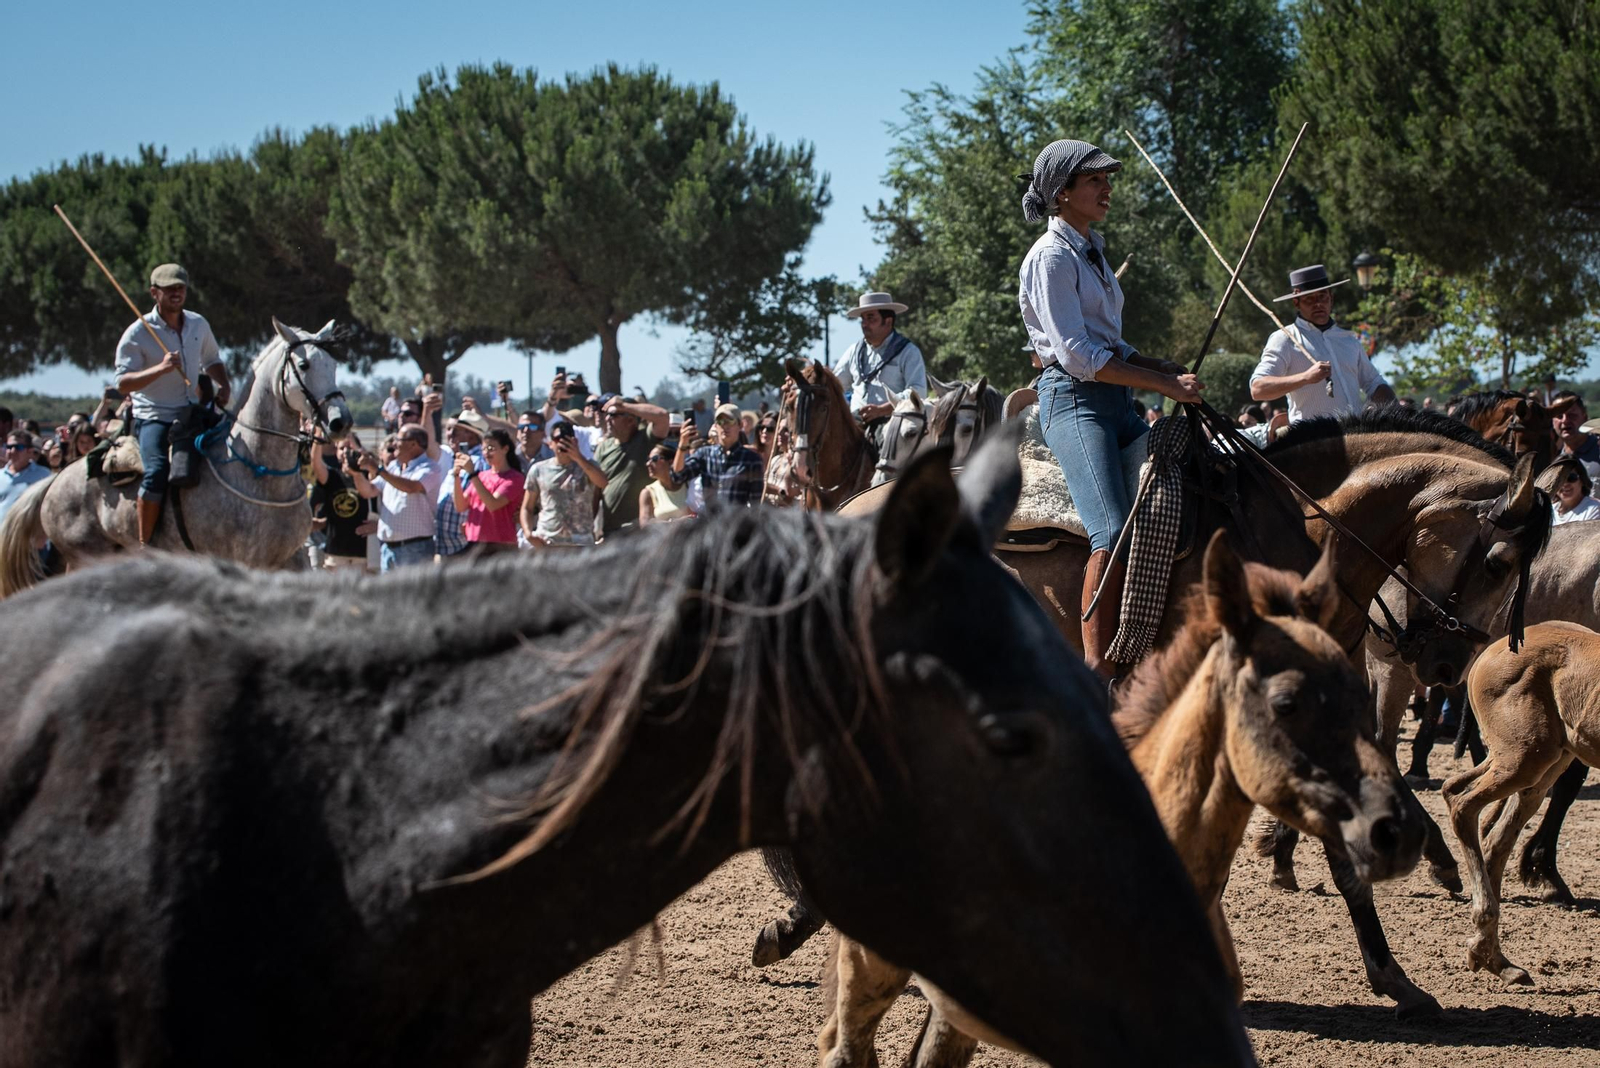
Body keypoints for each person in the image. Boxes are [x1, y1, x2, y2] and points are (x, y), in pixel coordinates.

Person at [1018, 138, 1203, 680]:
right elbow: (1077, 355)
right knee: (1114, 528)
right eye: (1095, 180)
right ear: (1062, 192)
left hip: (1119, 403)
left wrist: (1156, 365)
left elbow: (1110, 343)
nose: (1107, 189)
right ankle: (1096, 672)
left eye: (1107, 179)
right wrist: (1161, 384)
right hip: (1075, 404)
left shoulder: (1091, 248)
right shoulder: (1050, 257)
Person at [113, 263, 233, 546]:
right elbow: (122, 384)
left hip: (191, 413)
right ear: (154, 293)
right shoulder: (138, 332)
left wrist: (224, 384)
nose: (176, 293)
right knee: (156, 473)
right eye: (169, 289)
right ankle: (145, 545)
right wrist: (161, 369)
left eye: (180, 287)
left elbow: (212, 360)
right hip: (153, 416)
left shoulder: (199, 324)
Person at [1248, 264, 1396, 422]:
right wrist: (1305, 377)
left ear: (1331, 298)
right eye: (1309, 298)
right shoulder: (1285, 339)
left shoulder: (1349, 340)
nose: (1318, 303)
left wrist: (1388, 409)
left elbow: (1374, 383)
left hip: (1354, 434)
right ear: (1296, 302)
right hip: (1311, 436)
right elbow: (1258, 389)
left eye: (1322, 296)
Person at [831, 292, 929, 441]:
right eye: (863, 319)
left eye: (871, 318)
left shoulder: (908, 352)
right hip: (855, 427)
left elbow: (918, 392)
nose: (864, 324)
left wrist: (882, 410)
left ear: (888, 322)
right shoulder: (854, 351)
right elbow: (834, 385)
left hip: (892, 426)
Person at [351, 425, 443, 571]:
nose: (394, 444)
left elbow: (411, 487)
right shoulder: (394, 467)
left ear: (413, 444)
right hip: (388, 548)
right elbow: (369, 491)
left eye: (398, 440)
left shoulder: (430, 468)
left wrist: (379, 470)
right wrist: (356, 473)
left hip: (415, 548)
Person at [594, 395, 670, 534]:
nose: (607, 419)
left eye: (613, 415)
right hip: (611, 531)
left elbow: (663, 417)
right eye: (607, 414)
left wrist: (624, 406)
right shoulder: (603, 448)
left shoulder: (645, 439)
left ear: (630, 420)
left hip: (639, 531)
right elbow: (596, 490)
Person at [525, 422, 608, 547]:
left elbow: (602, 482)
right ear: (550, 443)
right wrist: (528, 533)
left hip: (581, 542)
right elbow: (527, 507)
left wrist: (578, 457)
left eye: (566, 439)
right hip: (548, 541)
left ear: (575, 441)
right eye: (557, 439)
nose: (562, 443)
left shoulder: (588, 466)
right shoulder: (538, 469)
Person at [669, 402, 765, 509]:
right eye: (720, 421)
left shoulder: (752, 459)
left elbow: (756, 504)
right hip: (710, 518)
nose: (725, 426)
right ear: (715, 425)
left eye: (730, 421)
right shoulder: (704, 454)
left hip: (737, 518)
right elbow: (677, 476)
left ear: (740, 425)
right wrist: (682, 445)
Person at [450, 427, 525, 554]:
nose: (486, 453)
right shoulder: (481, 476)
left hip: (501, 545)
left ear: (505, 449)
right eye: (484, 449)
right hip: (475, 541)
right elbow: (460, 506)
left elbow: (493, 504)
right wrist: (456, 476)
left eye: (491, 448)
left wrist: (472, 473)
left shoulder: (515, 478)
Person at [434, 409, 494, 560]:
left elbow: (482, 500)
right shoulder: (462, 459)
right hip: (455, 545)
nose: (451, 435)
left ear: (471, 435)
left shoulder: (479, 462)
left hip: (466, 546)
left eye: (457, 431)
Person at [311, 437, 372, 572]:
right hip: (336, 551)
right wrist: (318, 436)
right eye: (341, 448)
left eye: (349, 448)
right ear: (336, 452)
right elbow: (316, 463)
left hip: (364, 552)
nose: (345, 452)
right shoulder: (332, 476)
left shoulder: (369, 476)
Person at [1, 430, 52, 523]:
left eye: (18, 447)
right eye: (9, 447)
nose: (12, 451)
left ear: (30, 451)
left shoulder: (43, 475)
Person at [639, 443, 693, 525]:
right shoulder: (648, 492)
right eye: (648, 459)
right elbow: (645, 525)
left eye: (654, 459)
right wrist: (675, 522)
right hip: (663, 534)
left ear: (671, 461)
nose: (648, 464)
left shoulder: (689, 485)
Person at [1553, 390, 1600, 483]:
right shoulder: (1553, 461)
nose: (1565, 420)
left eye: (1571, 415)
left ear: (1585, 417)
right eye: (1559, 416)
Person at [1545, 456, 1600, 525]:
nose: (1565, 484)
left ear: (1582, 480)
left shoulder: (1594, 509)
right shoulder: (1548, 511)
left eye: (1571, 477)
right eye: (1559, 479)